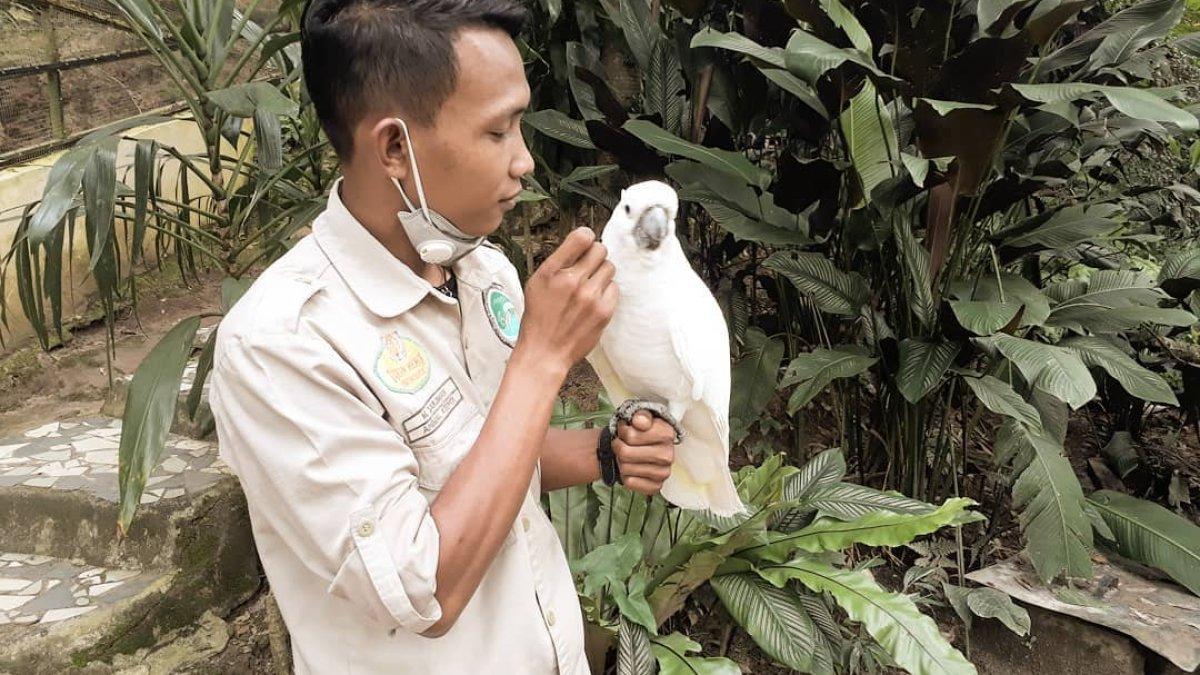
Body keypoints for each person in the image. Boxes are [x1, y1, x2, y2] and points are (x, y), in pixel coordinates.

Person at [207, 1, 679, 673]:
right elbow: (423, 587)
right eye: (498, 131)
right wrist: (542, 358)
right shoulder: (280, 345)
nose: (524, 164)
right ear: (394, 147)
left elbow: (486, 452)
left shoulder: (484, 273)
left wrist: (605, 452)